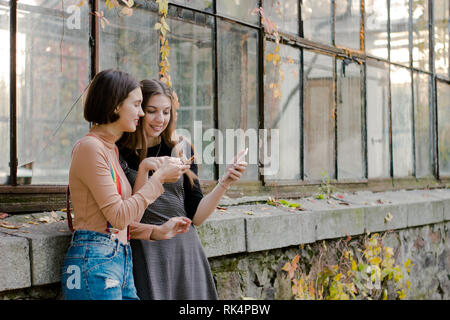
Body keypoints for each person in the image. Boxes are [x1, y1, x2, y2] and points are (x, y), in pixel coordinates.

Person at [61, 70, 192, 300]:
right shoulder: (90, 148)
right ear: (115, 106)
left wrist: (155, 231)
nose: (141, 113)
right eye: (137, 105)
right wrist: (158, 178)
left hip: (118, 257)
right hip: (95, 260)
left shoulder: (109, 148)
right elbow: (118, 217)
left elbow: (123, 221)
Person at [117, 79, 248, 299]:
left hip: (184, 249)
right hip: (144, 249)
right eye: (152, 111)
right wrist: (148, 172)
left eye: (166, 112)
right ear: (139, 110)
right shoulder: (119, 151)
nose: (160, 119)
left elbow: (196, 215)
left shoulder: (182, 148)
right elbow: (130, 214)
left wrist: (224, 182)